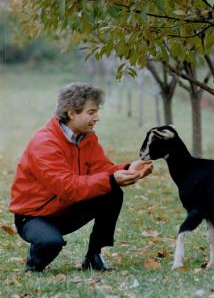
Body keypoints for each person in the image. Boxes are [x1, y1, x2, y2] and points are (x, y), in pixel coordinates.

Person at [9, 82, 153, 272]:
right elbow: (67, 188)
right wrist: (112, 179)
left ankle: (94, 255)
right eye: (91, 112)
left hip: (65, 209)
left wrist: (129, 169)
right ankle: (34, 263)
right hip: (35, 216)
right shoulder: (45, 143)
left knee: (112, 193)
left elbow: (103, 169)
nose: (97, 118)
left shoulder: (87, 137)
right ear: (71, 113)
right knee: (51, 242)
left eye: (97, 111)